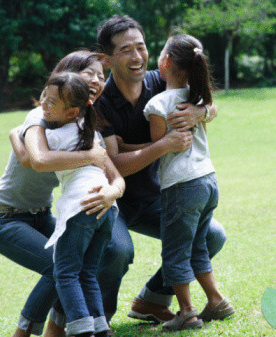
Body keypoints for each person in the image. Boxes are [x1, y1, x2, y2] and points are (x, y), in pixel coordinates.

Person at [93, 15, 227, 324]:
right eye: (126, 49)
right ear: (107, 59)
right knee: (117, 251)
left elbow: (210, 104)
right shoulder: (101, 102)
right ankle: (98, 319)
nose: (137, 56)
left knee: (213, 236)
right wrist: (162, 145)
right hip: (116, 201)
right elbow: (114, 167)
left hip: (159, 196)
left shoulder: (162, 81)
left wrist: (200, 111)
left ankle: (151, 301)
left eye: (140, 47)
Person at [0, 50, 108, 337]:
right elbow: (35, 160)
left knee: (78, 261)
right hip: (3, 217)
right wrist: (89, 156)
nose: (97, 80)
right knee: (59, 268)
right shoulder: (42, 114)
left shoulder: (81, 123)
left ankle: (57, 330)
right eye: (90, 73)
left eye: (102, 76)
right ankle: (24, 334)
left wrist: (111, 192)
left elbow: (111, 171)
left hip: (42, 214)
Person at [144, 33, 234, 331]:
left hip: (181, 186)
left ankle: (187, 311)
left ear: (166, 62)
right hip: (208, 180)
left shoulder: (158, 104)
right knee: (197, 247)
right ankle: (217, 300)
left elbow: (158, 146)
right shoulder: (197, 100)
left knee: (175, 251)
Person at [38, 71, 124, 337]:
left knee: (65, 274)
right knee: (87, 273)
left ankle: (80, 331)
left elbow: (33, 157)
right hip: (106, 208)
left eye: (53, 102)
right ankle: (100, 329)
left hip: (81, 206)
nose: (44, 105)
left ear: (72, 110)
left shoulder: (52, 136)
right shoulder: (90, 130)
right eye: (44, 97)